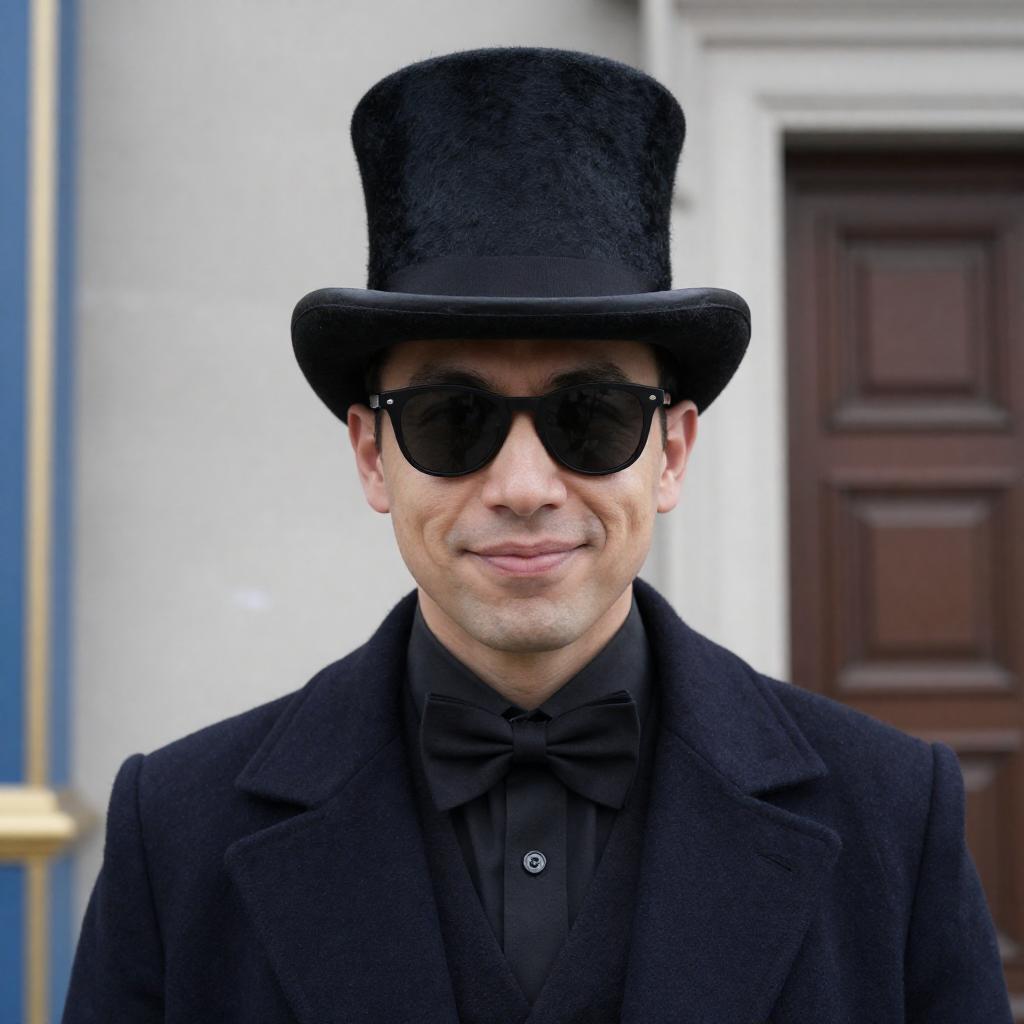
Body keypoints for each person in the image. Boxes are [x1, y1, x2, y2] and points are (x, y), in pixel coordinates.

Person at [62, 46, 1013, 1024]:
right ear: (372, 455)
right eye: (451, 419)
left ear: (672, 451)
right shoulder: (175, 833)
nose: (523, 488)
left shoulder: (893, 814)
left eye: (591, 416)